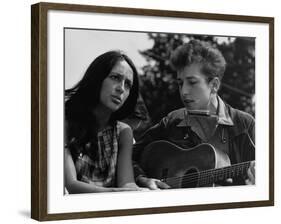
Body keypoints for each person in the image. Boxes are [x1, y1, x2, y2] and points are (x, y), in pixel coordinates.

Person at [133, 40, 255, 190]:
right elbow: (129, 157)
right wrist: (142, 179)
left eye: (192, 82)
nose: (184, 91)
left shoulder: (245, 124)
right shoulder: (172, 121)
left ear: (214, 85)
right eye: (180, 83)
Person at [64, 50, 142, 193]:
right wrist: (116, 193)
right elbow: (71, 185)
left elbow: (127, 184)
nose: (121, 89)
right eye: (115, 77)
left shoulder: (124, 132)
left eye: (128, 85)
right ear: (97, 78)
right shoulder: (64, 121)